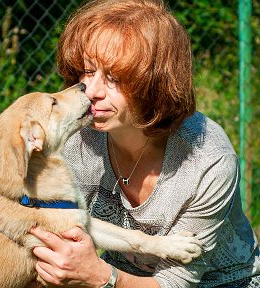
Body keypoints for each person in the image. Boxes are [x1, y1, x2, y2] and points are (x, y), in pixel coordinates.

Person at [30, 0, 260, 287]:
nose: (91, 91)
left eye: (114, 78)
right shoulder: (78, 136)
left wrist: (101, 276)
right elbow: (43, 224)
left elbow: (176, 283)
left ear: (155, 83)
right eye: (88, 71)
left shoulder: (208, 160)